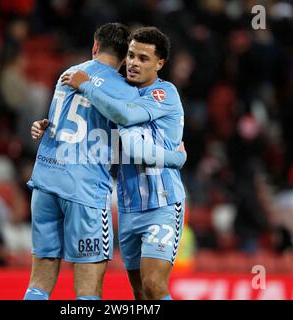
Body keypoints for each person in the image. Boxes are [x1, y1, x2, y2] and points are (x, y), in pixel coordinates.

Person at [25, 23, 185, 301]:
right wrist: (178, 157)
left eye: (142, 58)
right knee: (130, 290)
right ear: (124, 56)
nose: (134, 63)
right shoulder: (123, 90)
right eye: (132, 56)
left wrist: (49, 125)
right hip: (112, 199)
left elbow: (125, 129)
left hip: (159, 202)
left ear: (95, 46)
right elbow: (122, 122)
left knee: (153, 286)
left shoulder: (72, 74)